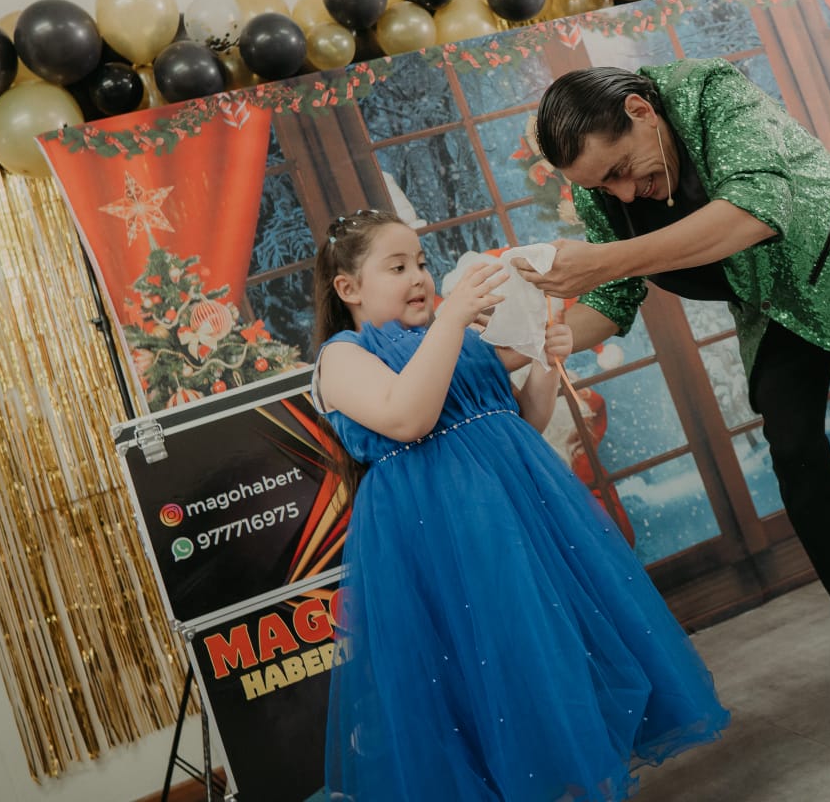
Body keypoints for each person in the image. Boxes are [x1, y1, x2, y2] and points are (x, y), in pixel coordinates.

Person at [516, 58, 830, 726]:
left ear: (640, 110)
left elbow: (754, 211)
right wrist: (537, 341)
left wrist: (602, 260)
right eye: (603, 185)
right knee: (795, 455)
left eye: (621, 169)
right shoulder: (603, 190)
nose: (624, 194)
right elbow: (610, 301)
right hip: (775, 300)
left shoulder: (713, 94)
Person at [309, 210, 728, 801]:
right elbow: (407, 417)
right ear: (348, 288)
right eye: (397, 267)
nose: (419, 277)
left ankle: (579, 776)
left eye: (422, 263)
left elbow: (522, 418)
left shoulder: (455, 337)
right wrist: (453, 320)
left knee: (547, 646)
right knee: (481, 662)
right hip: (437, 532)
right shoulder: (343, 357)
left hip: (517, 514)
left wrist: (545, 361)